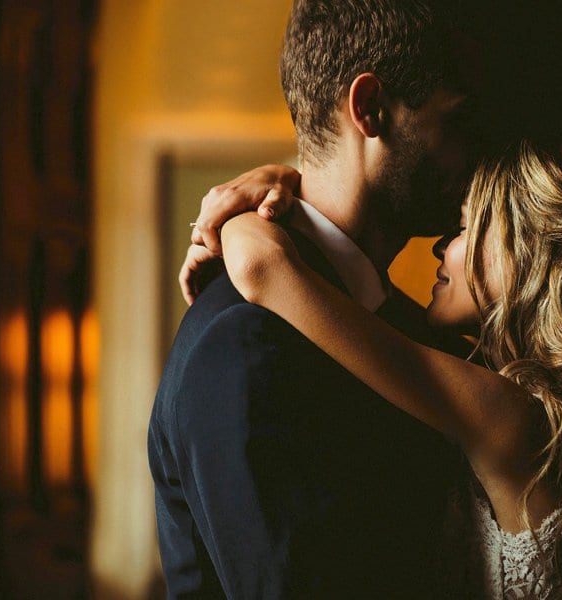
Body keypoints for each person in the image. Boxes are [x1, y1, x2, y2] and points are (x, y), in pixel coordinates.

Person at [182, 139, 562, 598]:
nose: (441, 243)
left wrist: (231, 215)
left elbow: (263, 269)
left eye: (464, 227)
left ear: (529, 257)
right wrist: (282, 180)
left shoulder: (510, 417)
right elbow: (378, 312)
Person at [148, 1, 487, 597]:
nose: (476, 156)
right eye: (457, 121)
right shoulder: (246, 343)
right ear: (370, 108)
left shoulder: (394, 319)